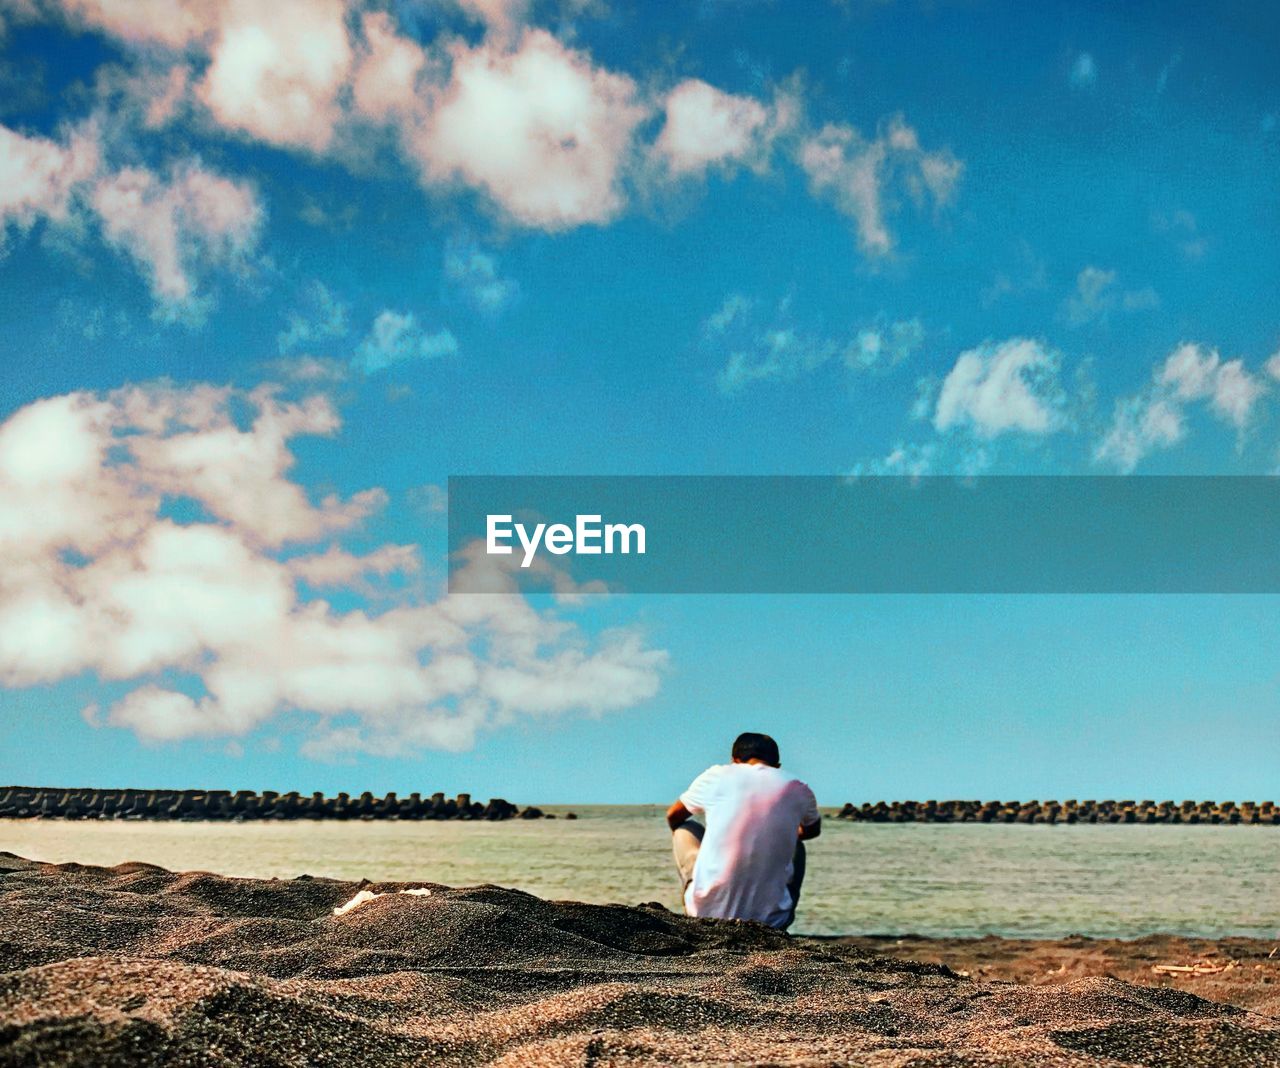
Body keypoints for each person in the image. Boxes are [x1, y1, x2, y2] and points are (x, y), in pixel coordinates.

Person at [665, 732, 821, 930]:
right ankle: (776, 910)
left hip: (704, 913)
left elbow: (673, 816)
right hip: (772, 922)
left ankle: (699, 892)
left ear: (735, 760)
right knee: (797, 846)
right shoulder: (799, 788)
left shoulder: (717, 775)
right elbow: (812, 830)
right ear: (777, 765)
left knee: (685, 828)